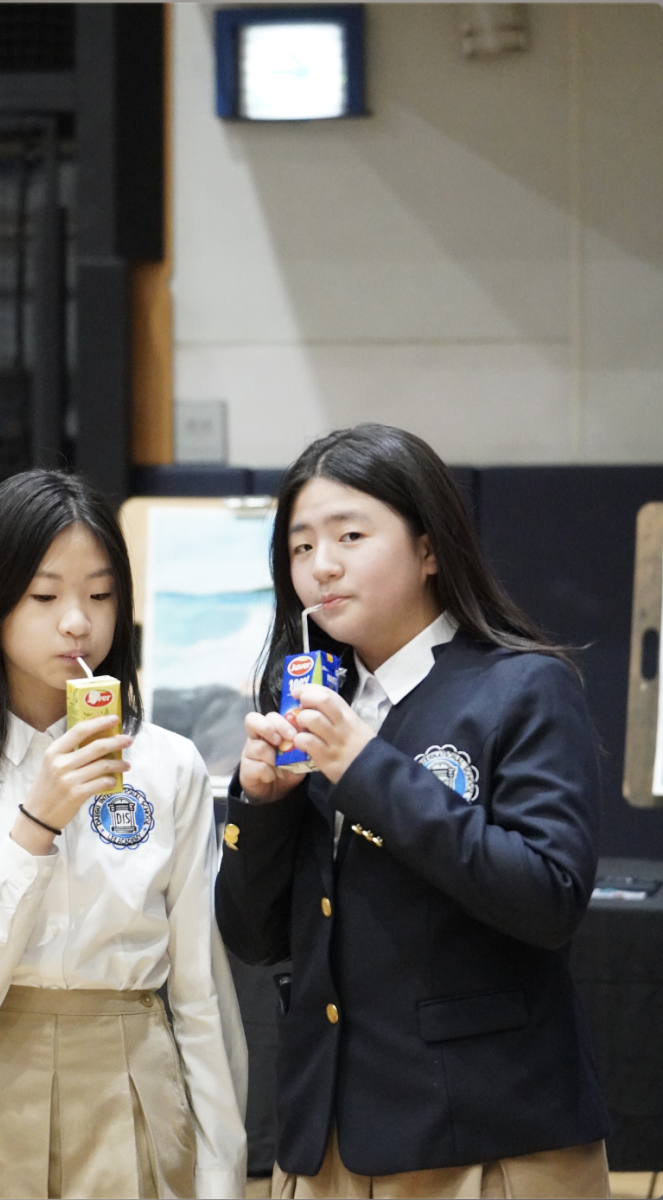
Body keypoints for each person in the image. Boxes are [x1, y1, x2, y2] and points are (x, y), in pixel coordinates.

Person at [216, 425, 611, 1200]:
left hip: (486, 1139)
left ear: (429, 549)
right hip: (323, 1138)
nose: (320, 565)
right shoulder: (305, 706)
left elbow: (547, 898)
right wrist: (260, 808)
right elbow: (253, 939)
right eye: (299, 547)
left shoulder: (522, 687)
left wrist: (367, 769)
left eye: (350, 535)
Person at [0, 470, 247, 1200]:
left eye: (101, 594)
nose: (78, 622)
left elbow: (201, 993)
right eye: (45, 596)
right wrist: (37, 823)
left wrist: (221, 1174)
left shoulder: (167, 763)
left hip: (132, 1083)